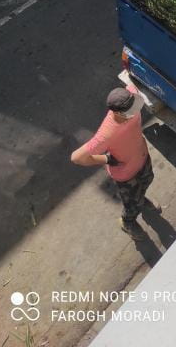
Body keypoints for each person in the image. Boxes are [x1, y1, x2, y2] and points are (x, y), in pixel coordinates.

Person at [70, 86, 159, 241]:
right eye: (132, 110)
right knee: (132, 205)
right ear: (118, 113)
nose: (137, 110)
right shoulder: (106, 134)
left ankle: (141, 198)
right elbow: (76, 157)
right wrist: (105, 159)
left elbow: (130, 81)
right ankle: (128, 222)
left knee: (148, 179)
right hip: (126, 175)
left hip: (142, 158)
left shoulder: (132, 96)